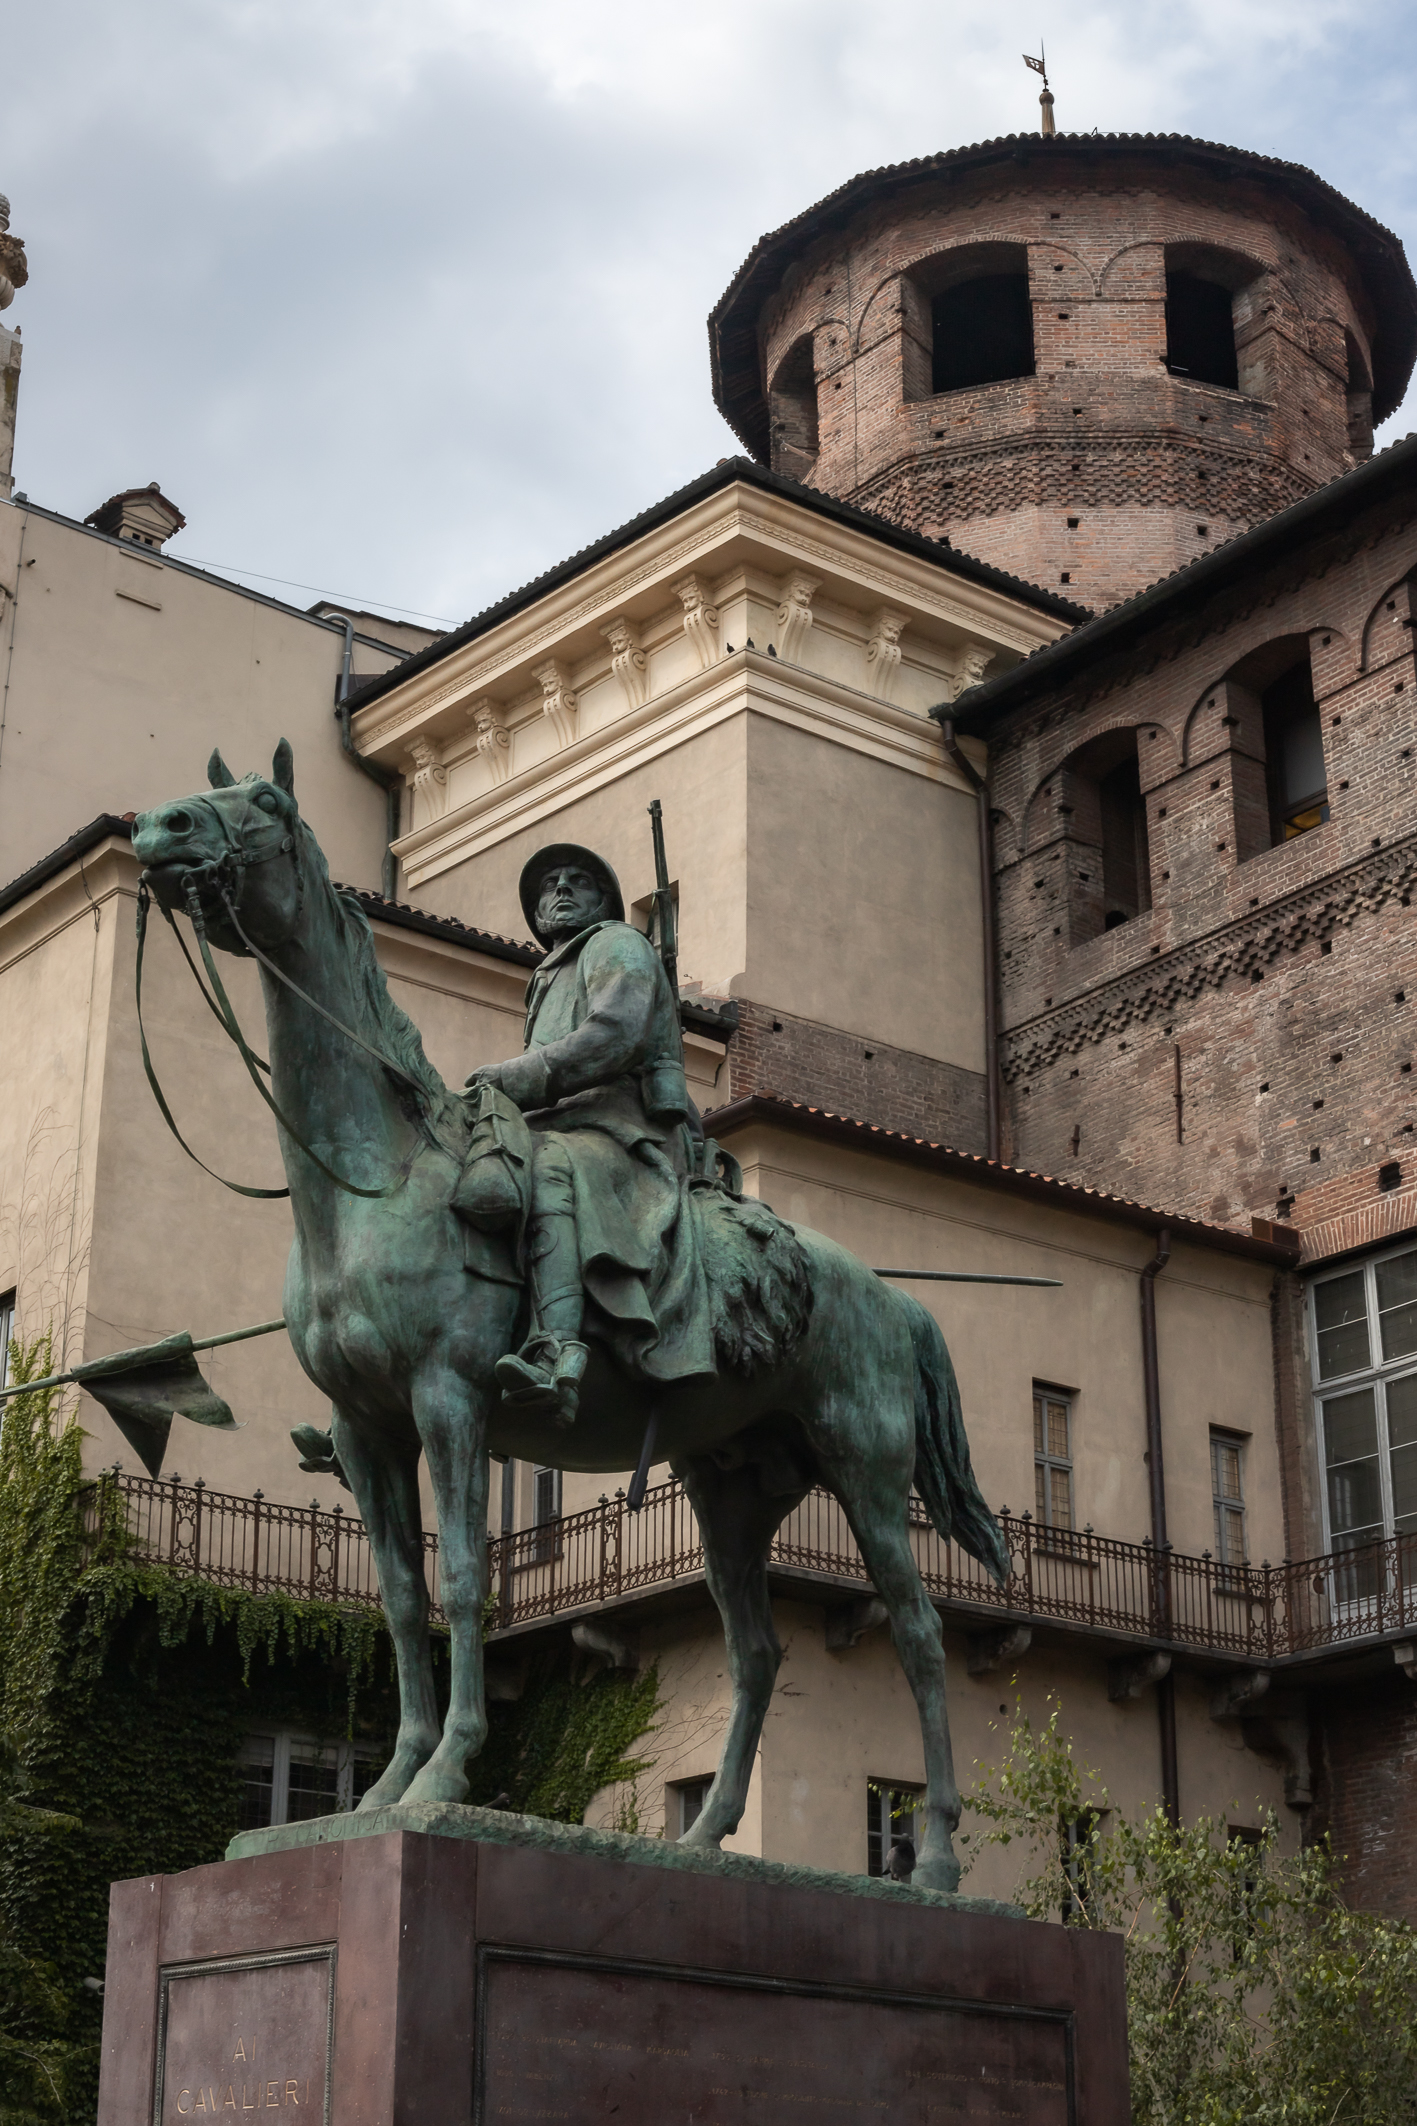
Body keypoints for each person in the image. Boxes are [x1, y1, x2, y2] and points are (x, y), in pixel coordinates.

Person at [464, 843, 705, 1429]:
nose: (562, 889)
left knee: (548, 1167)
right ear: (538, 912)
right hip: (556, 1124)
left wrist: (514, 1078)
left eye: (579, 881)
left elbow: (614, 1035)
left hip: (619, 1130)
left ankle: (556, 1351)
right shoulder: (548, 976)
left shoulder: (616, 944)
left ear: (605, 902)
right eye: (550, 885)